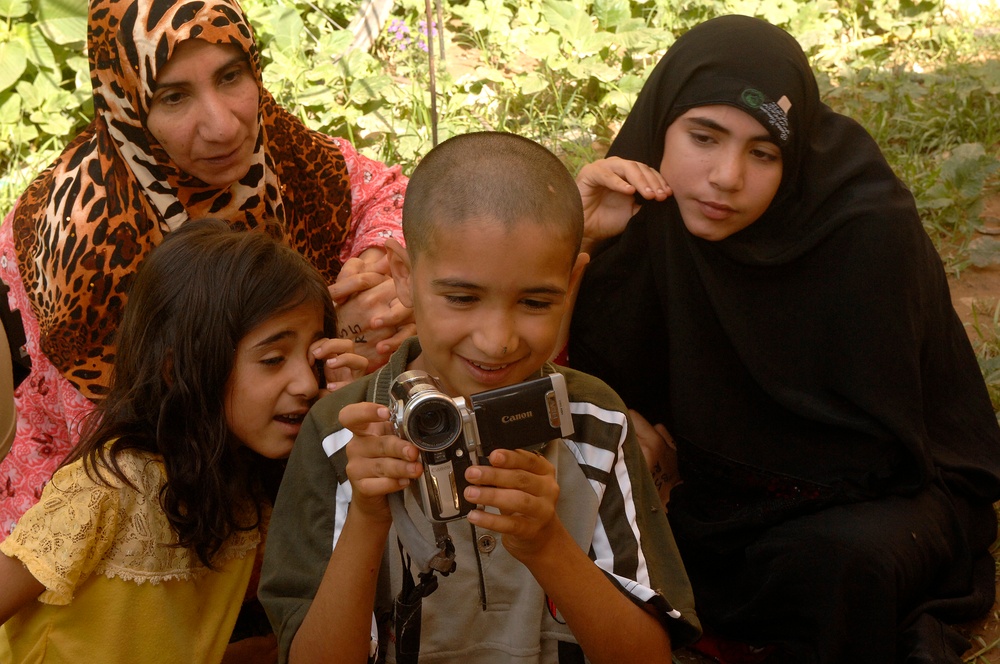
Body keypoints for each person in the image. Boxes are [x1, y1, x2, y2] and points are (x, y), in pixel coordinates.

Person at [567, 14, 1000, 664]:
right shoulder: (652, 213)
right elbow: (548, 370)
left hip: (866, 493)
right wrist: (579, 237)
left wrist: (686, 472)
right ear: (662, 125)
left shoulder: (863, 228)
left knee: (842, 564)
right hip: (702, 492)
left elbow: (879, 453)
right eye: (704, 137)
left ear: (793, 160)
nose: (726, 176)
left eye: (763, 152)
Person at [258, 131, 701, 664]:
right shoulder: (344, 432)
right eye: (463, 298)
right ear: (404, 276)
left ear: (571, 283)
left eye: (535, 302)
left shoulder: (592, 419)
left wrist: (547, 545)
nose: (497, 341)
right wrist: (368, 518)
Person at [0, 0, 412, 540]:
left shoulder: (277, 149)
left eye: (230, 76)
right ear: (127, 103)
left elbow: (387, 195)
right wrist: (327, 334)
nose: (222, 126)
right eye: (174, 97)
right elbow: (142, 448)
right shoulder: (85, 238)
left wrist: (373, 268)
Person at [0, 218, 367, 663]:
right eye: (273, 359)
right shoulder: (112, 487)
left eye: (313, 357)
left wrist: (341, 420)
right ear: (179, 370)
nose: (307, 384)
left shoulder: (248, 487)